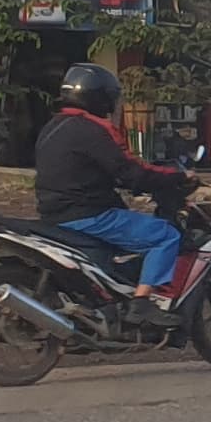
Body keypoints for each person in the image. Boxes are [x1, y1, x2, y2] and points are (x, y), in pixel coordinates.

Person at [30, 62, 190, 288]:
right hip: (90, 216)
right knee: (166, 235)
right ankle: (143, 301)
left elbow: (86, 169)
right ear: (101, 98)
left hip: (52, 214)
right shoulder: (95, 128)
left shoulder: (52, 126)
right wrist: (178, 177)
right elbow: (132, 173)